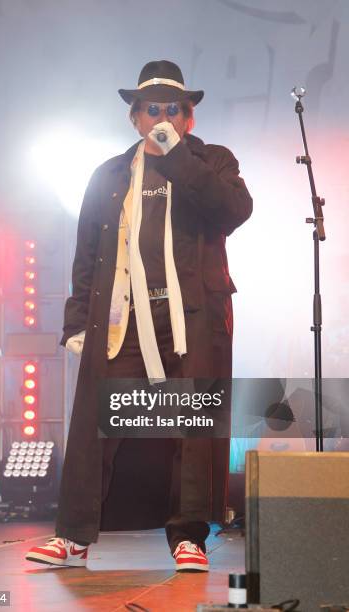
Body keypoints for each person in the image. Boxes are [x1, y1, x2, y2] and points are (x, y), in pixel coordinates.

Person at [26, 60, 252, 571]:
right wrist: (77, 320)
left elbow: (233, 211)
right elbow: (87, 253)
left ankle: (189, 537)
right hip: (121, 317)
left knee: (190, 428)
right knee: (95, 424)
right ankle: (74, 537)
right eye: (153, 109)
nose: (163, 117)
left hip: (192, 316)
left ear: (189, 118)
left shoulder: (211, 161)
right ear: (135, 118)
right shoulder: (109, 174)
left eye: (174, 108)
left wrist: (177, 159)